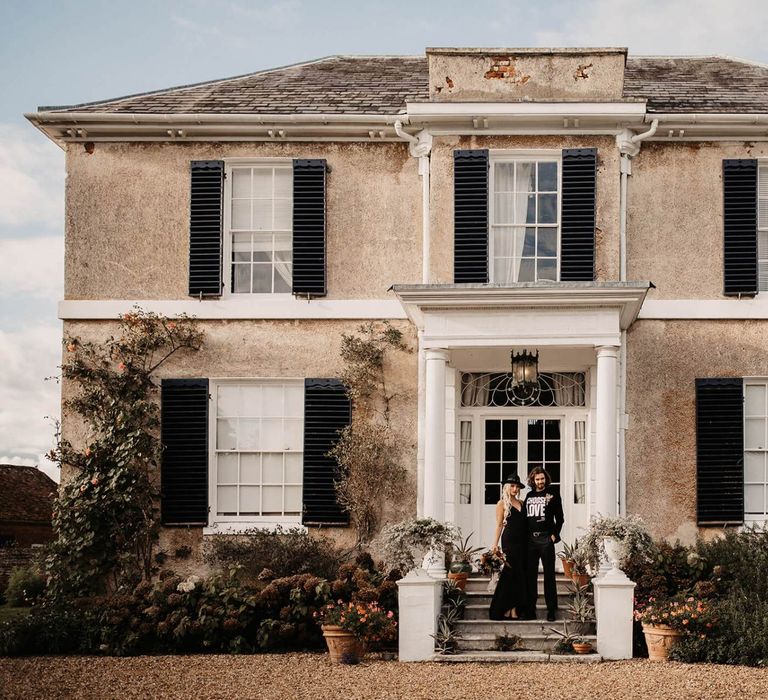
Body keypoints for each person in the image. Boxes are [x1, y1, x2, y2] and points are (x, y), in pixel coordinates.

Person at [524, 466, 564, 622]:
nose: (540, 482)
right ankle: (530, 610)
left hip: (546, 540)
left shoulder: (553, 494)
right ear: (533, 480)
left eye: (542, 479)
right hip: (531, 542)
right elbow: (525, 519)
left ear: (546, 479)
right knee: (530, 576)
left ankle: (551, 610)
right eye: (537, 479)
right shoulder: (529, 496)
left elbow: (560, 518)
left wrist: (554, 535)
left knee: (549, 576)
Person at [488, 474, 528, 621]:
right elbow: (499, 524)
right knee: (509, 573)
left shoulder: (522, 503)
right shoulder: (501, 503)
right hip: (509, 541)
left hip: (523, 542)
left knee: (518, 575)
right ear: (506, 487)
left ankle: (513, 609)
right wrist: (495, 544)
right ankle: (502, 608)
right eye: (512, 486)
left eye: (517, 486)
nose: (515, 488)